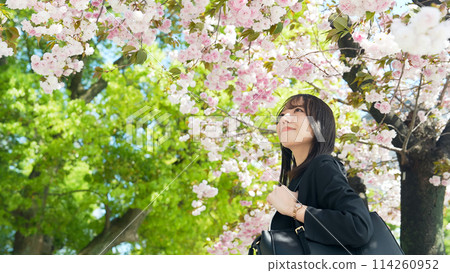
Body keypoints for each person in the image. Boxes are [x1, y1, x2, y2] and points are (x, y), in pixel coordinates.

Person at [266, 94, 374, 249]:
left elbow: (359, 227)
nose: (284, 119)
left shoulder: (322, 166)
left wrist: (294, 210)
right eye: (282, 115)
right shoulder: (299, 180)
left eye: (297, 110)